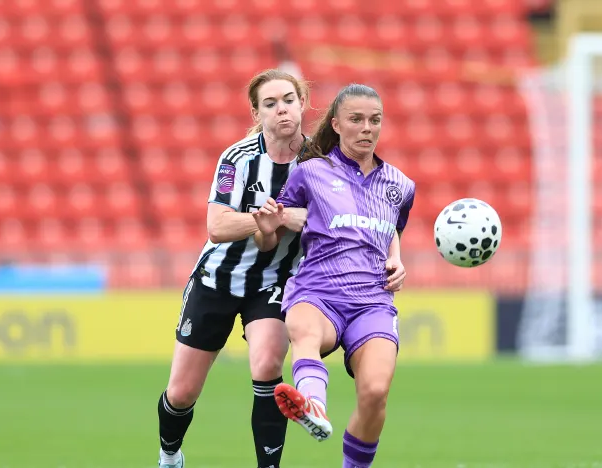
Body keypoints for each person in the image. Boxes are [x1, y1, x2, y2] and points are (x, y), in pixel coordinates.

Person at [252, 83, 415, 468]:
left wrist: (398, 259)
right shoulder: (311, 173)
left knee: (375, 392)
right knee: (306, 335)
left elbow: (391, 230)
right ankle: (313, 407)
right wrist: (265, 227)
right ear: (337, 125)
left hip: (372, 300)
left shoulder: (401, 186)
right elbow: (268, 238)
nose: (367, 129)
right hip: (318, 291)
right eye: (356, 120)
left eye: (374, 121)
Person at [156, 69, 310, 468]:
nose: (282, 110)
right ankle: (169, 455)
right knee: (182, 393)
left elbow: (334, 220)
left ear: (303, 103)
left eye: (288, 100)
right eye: (270, 104)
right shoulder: (237, 158)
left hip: (275, 281)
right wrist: (274, 219)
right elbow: (217, 226)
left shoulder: (319, 162)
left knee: (267, 365)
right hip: (217, 280)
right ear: (257, 113)